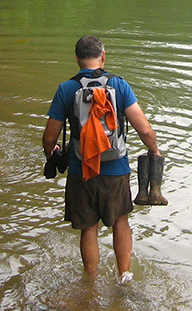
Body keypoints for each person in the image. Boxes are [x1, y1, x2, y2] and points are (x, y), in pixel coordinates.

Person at [41, 36, 166, 282]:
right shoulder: (119, 85)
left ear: (76, 59)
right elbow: (144, 129)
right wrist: (154, 151)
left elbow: (49, 136)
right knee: (120, 221)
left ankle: (91, 282)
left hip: (81, 169)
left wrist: (50, 153)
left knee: (89, 228)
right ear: (103, 56)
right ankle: (124, 276)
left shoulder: (66, 89)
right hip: (116, 169)